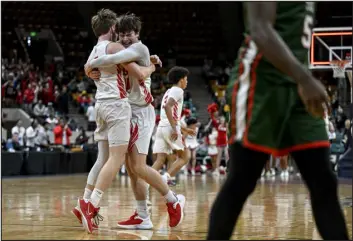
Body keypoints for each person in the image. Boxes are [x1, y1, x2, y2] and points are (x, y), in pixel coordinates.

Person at [207, 2, 349, 240]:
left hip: (297, 86)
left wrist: (301, 79)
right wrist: (305, 77)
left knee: (323, 181)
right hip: (261, 83)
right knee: (242, 179)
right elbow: (260, 29)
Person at [85, 14, 186, 230]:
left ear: (137, 34)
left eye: (129, 34)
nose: (126, 38)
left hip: (141, 111)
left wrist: (90, 64)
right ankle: (142, 215)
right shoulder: (122, 49)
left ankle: (173, 201)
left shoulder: (139, 49)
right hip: (128, 111)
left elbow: (113, 62)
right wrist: (88, 68)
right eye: (122, 34)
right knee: (131, 168)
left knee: (139, 166)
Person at [74, 9, 156, 234]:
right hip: (117, 105)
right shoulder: (116, 48)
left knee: (102, 159)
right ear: (113, 30)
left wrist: (89, 69)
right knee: (119, 160)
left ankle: (85, 199)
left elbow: (88, 67)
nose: (122, 36)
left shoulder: (93, 50)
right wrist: (153, 65)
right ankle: (91, 205)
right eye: (120, 32)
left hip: (99, 104)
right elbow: (139, 73)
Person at [152, 67, 196, 184]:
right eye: (186, 79)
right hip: (170, 127)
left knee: (160, 160)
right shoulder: (178, 90)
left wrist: (185, 129)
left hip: (161, 127)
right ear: (181, 80)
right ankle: (166, 178)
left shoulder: (168, 91)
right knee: (185, 157)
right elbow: (168, 107)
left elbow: (169, 114)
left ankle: (144, 185)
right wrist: (174, 128)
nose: (187, 82)